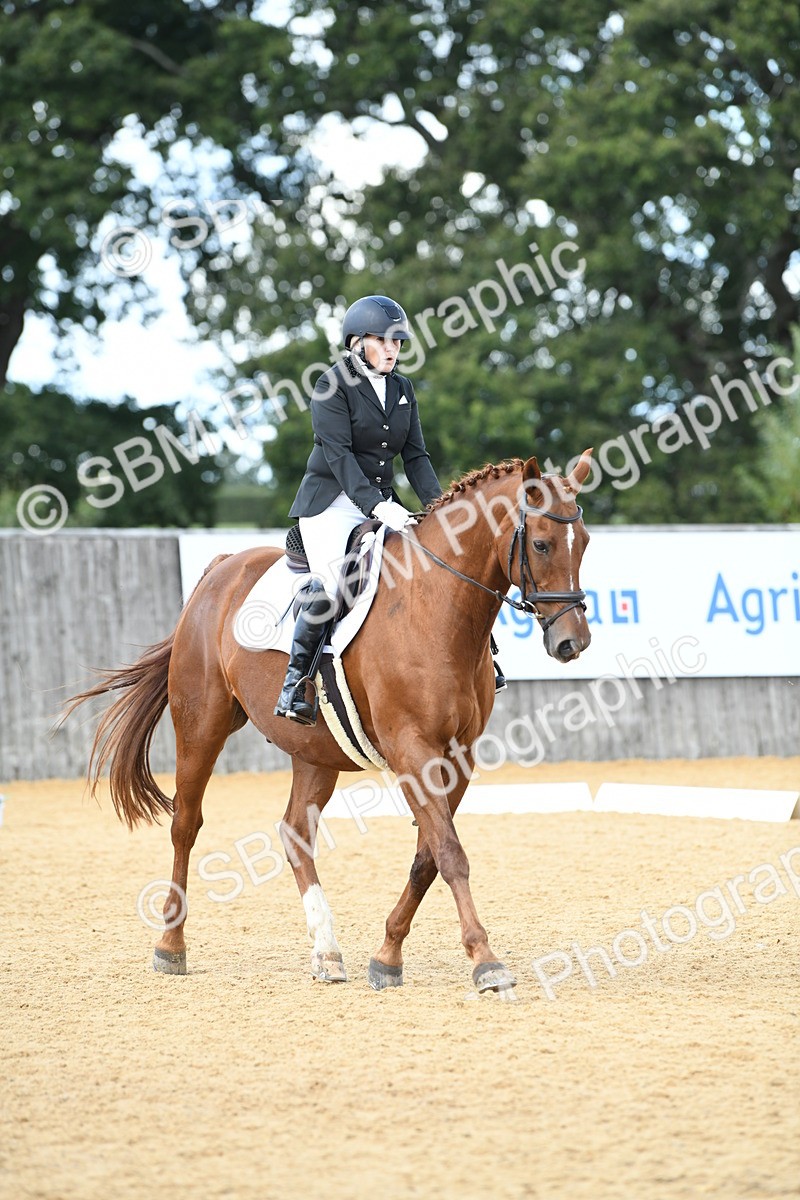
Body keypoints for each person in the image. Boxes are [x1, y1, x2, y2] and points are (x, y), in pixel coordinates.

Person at [274, 294, 443, 725]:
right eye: (383, 340)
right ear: (356, 342)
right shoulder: (331, 385)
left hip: (382, 502)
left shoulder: (403, 389)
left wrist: (441, 509)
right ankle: (295, 685)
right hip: (332, 504)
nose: (392, 349)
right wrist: (379, 506)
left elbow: (416, 457)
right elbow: (340, 457)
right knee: (331, 586)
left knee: (435, 563)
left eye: (397, 342)